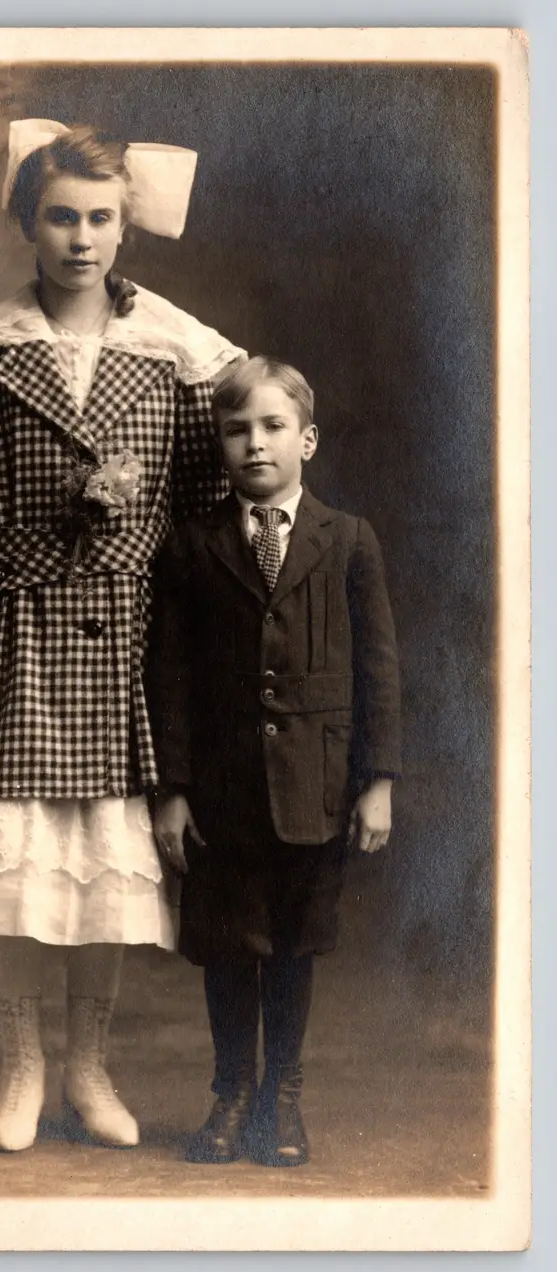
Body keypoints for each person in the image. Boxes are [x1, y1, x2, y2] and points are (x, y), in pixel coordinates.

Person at [0, 119, 246, 1154]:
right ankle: (23, 1066)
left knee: (106, 869)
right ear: (30, 224)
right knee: (21, 870)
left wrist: (203, 668)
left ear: (125, 228)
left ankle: (91, 1066)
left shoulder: (178, 360)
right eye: (61, 218)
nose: (82, 240)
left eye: (101, 219)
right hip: (17, 641)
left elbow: (200, 521)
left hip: (129, 647)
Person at [146, 356, 401, 1167]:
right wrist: (174, 792)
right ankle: (232, 1094)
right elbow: (172, 675)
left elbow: (379, 669)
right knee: (229, 947)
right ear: (220, 445)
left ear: (308, 439)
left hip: (315, 787)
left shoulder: (347, 541)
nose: (254, 445)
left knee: (293, 946)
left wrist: (378, 781)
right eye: (236, 431)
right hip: (223, 792)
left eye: (272, 427)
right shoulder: (193, 547)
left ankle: (283, 1102)